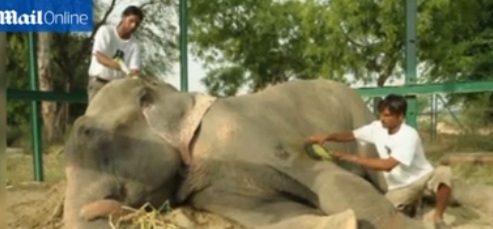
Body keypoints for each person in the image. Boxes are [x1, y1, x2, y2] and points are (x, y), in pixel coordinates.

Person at [307, 94, 453, 229]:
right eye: (381, 114)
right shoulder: (376, 128)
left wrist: (351, 157)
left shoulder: (409, 135)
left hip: (423, 177)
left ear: (400, 116)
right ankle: (413, 204)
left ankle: (438, 217)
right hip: (399, 186)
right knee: (383, 213)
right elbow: (351, 135)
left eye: (387, 115)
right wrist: (327, 137)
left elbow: (388, 165)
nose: (382, 118)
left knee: (443, 174)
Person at [86, 5, 144, 101]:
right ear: (123, 17)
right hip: (98, 84)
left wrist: (134, 75)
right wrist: (119, 66)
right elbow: (99, 56)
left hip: (118, 88)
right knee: (97, 115)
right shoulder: (105, 31)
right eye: (131, 21)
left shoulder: (135, 44)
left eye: (137, 24)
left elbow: (135, 70)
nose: (133, 25)